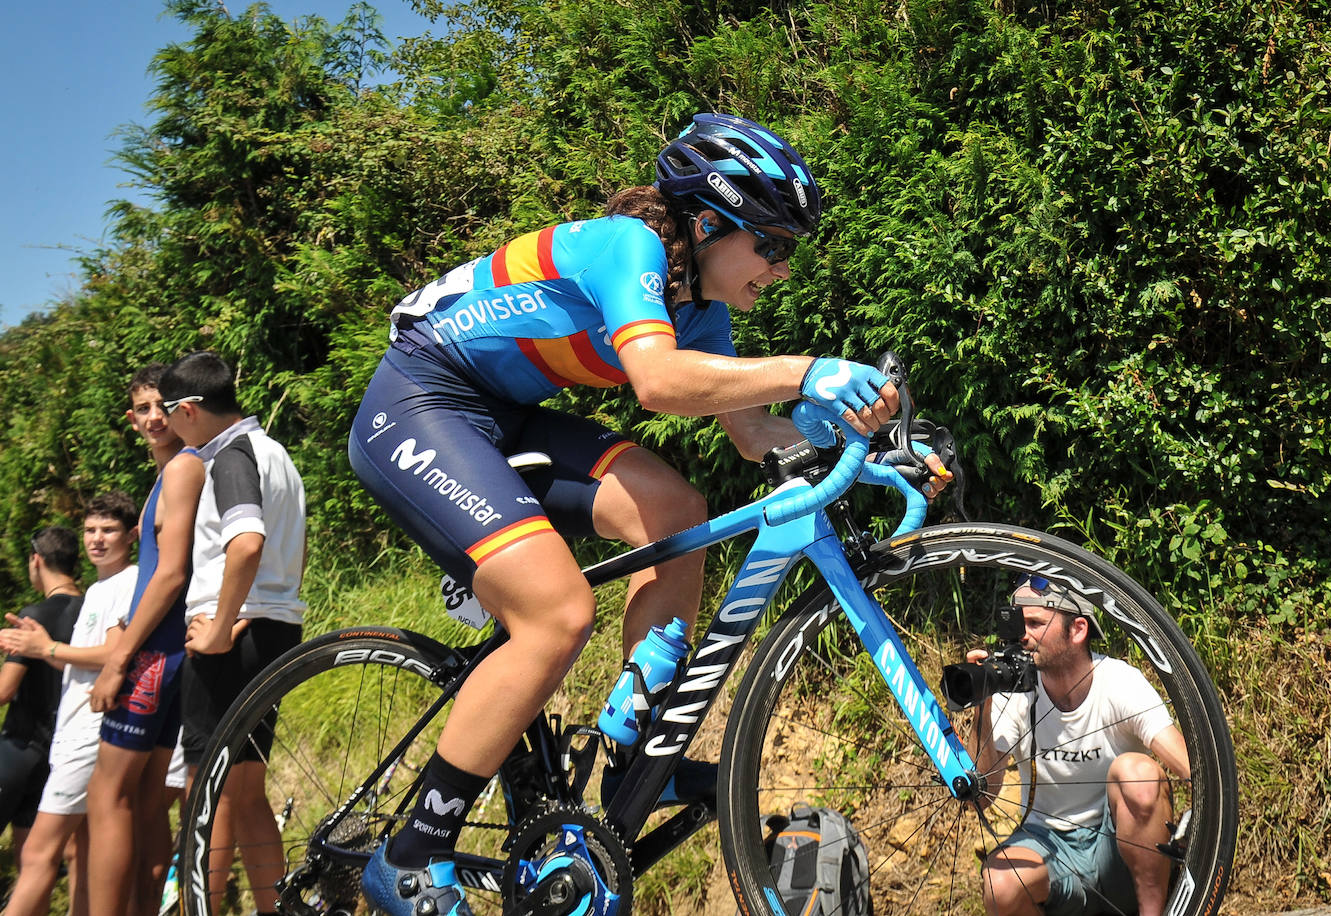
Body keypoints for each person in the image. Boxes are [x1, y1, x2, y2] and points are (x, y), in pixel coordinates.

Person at [346, 112, 952, 916]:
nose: (781, 267)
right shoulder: (625, 245)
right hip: (420, 400)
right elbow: (660, 384)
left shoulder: (702, 308)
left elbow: (751, 435)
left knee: (677, 509)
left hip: (505, 414)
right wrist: (810, 370)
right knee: (558, 614)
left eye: (790, 250)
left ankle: (633, 757)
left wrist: (871, 451)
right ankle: (411, 853)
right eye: (770, 244)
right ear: (709, 221)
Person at [158, 350, 307, 916]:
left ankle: (202, 908)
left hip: (233, 637)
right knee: (245, 796)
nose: (166, 426)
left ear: (189, 410)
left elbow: (246, 543)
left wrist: (219, 629)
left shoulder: (229, 457)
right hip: (273, 630)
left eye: (168, 413)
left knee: (207, 796)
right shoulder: (275, 453)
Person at [970, 575, 1191, 916]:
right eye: (1018, 624)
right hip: (1046, 846)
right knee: (1001, 884)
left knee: (1138, 774)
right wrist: (982, 701)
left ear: (1077, 630)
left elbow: (1192, 768)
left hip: (1118, 851)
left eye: (1035, 623)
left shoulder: (1118, 681)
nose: (1022, 636)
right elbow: (982, 797)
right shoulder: (1014, 690)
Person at [85, 364, 204, 916]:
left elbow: (170, 574)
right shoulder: (169, 474)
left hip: (154, 651)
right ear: (131, 419)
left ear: (184, 407)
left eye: (164, 405)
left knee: (106, 798)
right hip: (169, 652)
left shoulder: (183, 469)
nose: (155, 417)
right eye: (143, 409)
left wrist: (119, 659)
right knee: (148, 800)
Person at [0, 492, 140, 916]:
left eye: (108, 530)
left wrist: (45, 647)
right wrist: (38, 646)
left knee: (38, 853)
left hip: (87, 735)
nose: (97, 539)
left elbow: (115, 654)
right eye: (90, 530)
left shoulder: (128, 582)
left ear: (131, 535)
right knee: (77, 852)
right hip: (65, 738)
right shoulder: (94, 593)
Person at [0, 527, 83, 854]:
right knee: (34, 859)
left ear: (36, 560)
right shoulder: (93, 610)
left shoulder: (33, 617)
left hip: (19, 747)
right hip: (58, 754)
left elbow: (6, 689)